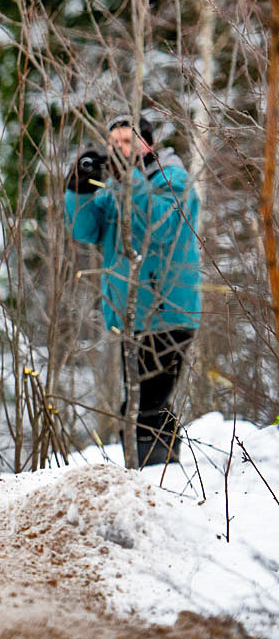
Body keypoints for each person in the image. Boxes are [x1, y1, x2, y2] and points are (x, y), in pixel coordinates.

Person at [65, 114, 201, 467]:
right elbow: (85, 231)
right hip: (131, 316)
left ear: (148, 144)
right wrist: (79, 189)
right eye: (114, 144)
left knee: (146, 405)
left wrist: (131, 180)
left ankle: (153, 475)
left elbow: (162, 229)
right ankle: (155, 471)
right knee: (144, 403)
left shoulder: (173, 180)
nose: (120, 150)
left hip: (167, 311)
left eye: (128, 142)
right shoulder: (115, 187)